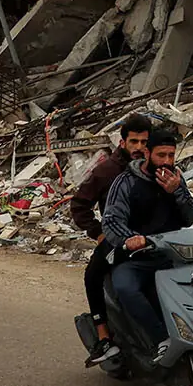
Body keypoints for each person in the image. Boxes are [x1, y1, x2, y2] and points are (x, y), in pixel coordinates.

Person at [101, 127, 193, 366]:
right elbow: (111, 220)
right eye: (161, 155)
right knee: (126, 287)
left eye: (171, 155)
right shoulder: (126, 182)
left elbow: (190, 217)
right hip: (137, 257)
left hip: (171, 254)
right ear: (147, 153)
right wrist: (131, 239)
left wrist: (176, 193)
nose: (167, 161)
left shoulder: (175, 178)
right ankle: (160, 339)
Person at [69, 113, 153, 365]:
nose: (139, 147)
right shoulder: (108, 171)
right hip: (116, 241)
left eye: (143, 142)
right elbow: (79, 205)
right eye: (134, 142)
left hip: (151, 240)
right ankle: (104, 338)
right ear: (123, 142)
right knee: (92, 275)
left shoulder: (154, 168)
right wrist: (99, 234)